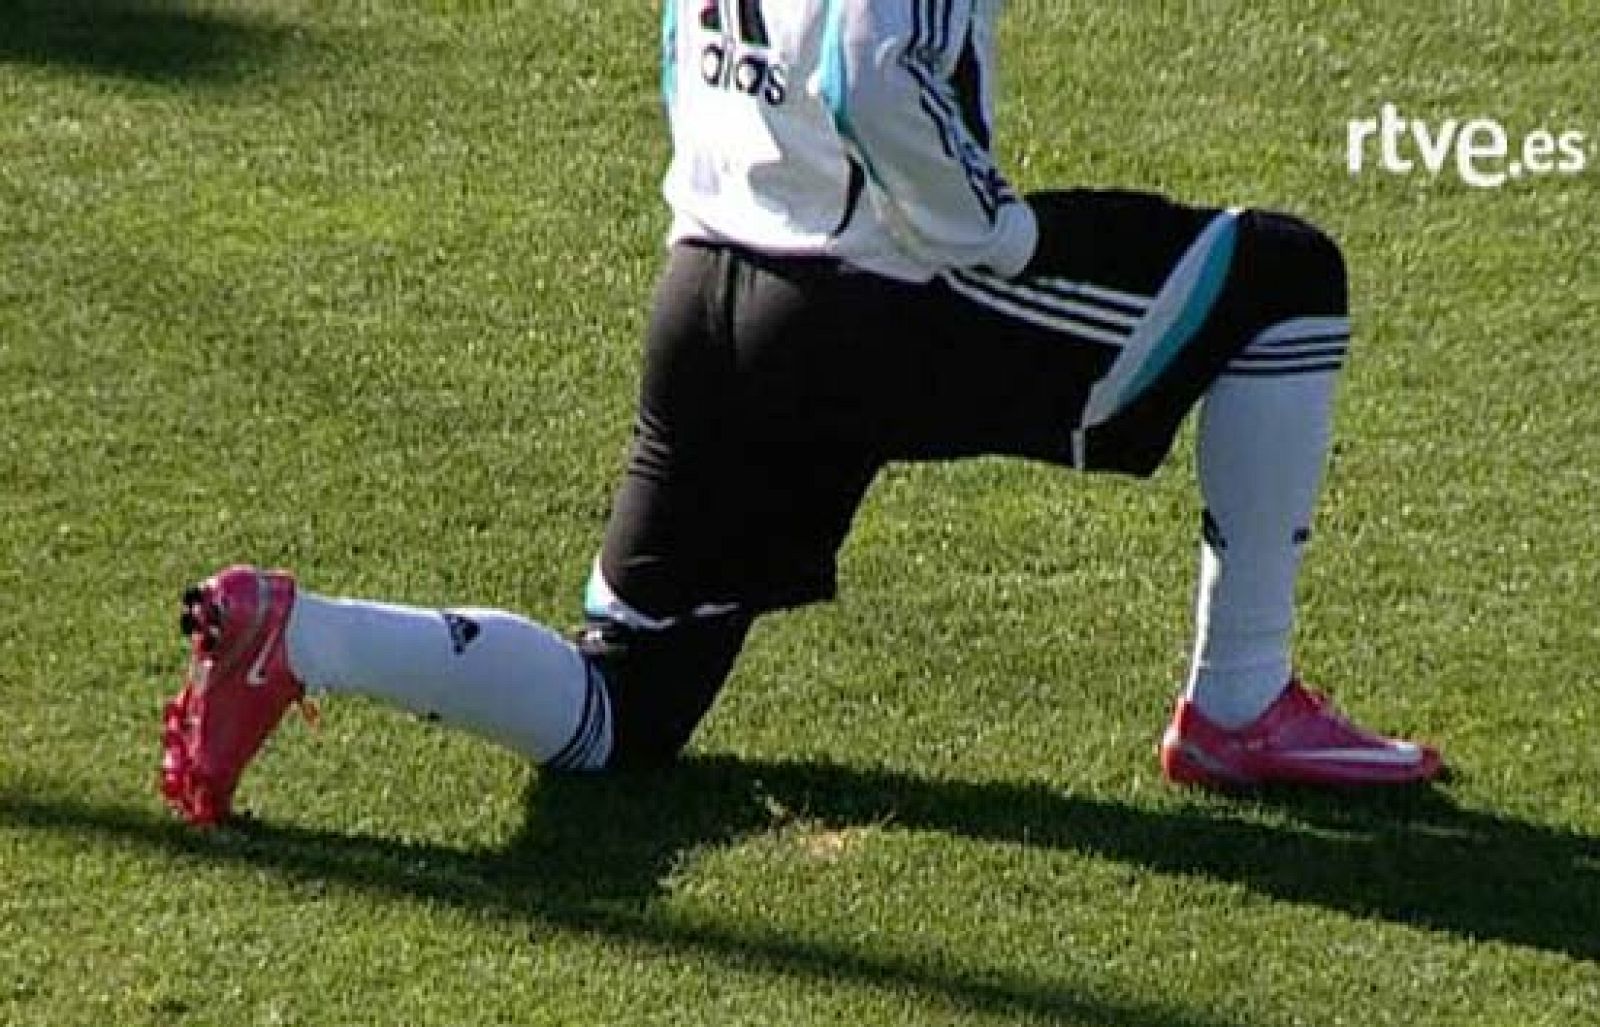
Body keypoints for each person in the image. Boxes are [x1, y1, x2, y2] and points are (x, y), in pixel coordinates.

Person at [160, 0, 1442, 826]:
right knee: (1283, 281)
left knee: (624, 709)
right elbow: (872, 65)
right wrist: (993, 233)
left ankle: (300, 633)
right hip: (876, 301)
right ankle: (1238, 705)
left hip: (705, 293)